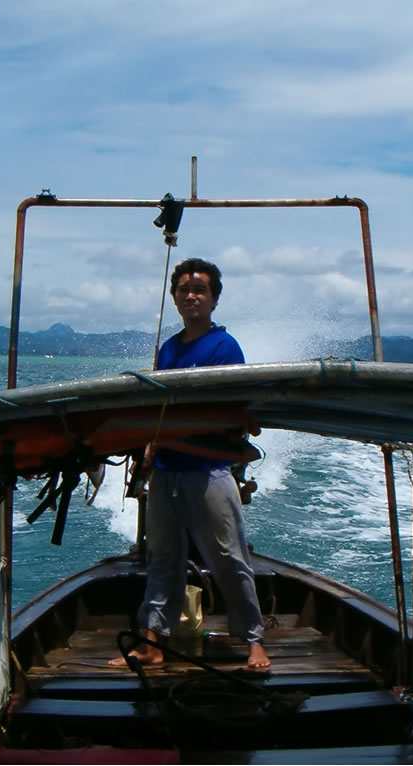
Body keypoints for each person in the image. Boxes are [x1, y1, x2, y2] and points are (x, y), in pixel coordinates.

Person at [110, 258, 270, 670]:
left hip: (209, 471)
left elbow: (225, 409)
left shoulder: (224, 347)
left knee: (229, 558)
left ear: (214, 298)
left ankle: (254, 642)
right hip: (166, 471)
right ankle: (152, 642)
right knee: (163, 559)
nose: (191, 295)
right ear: (174, 298)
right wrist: (148, 453)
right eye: (183, 289)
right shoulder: (168, 348)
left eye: (200, 288)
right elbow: (159, 409)